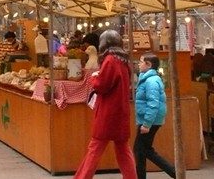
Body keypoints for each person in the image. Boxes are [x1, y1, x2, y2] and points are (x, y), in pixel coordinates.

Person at [74, 30, 136, 179]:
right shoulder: (124, 60)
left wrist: (94, 78)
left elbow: (102, 85)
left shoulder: (110, 60)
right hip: (121, 111)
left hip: (108, 112)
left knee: (95, 149)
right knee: (123, 150)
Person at [134, 53, 176, 179]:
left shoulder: (151, 81)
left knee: (143, 150)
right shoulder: (146, 79)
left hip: (150, 121)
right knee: (141, 150)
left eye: (141, 62)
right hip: (148, 120)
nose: (139, 64)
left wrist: (147, 124)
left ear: (149, 65)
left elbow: (153, 104)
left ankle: (175, 173)